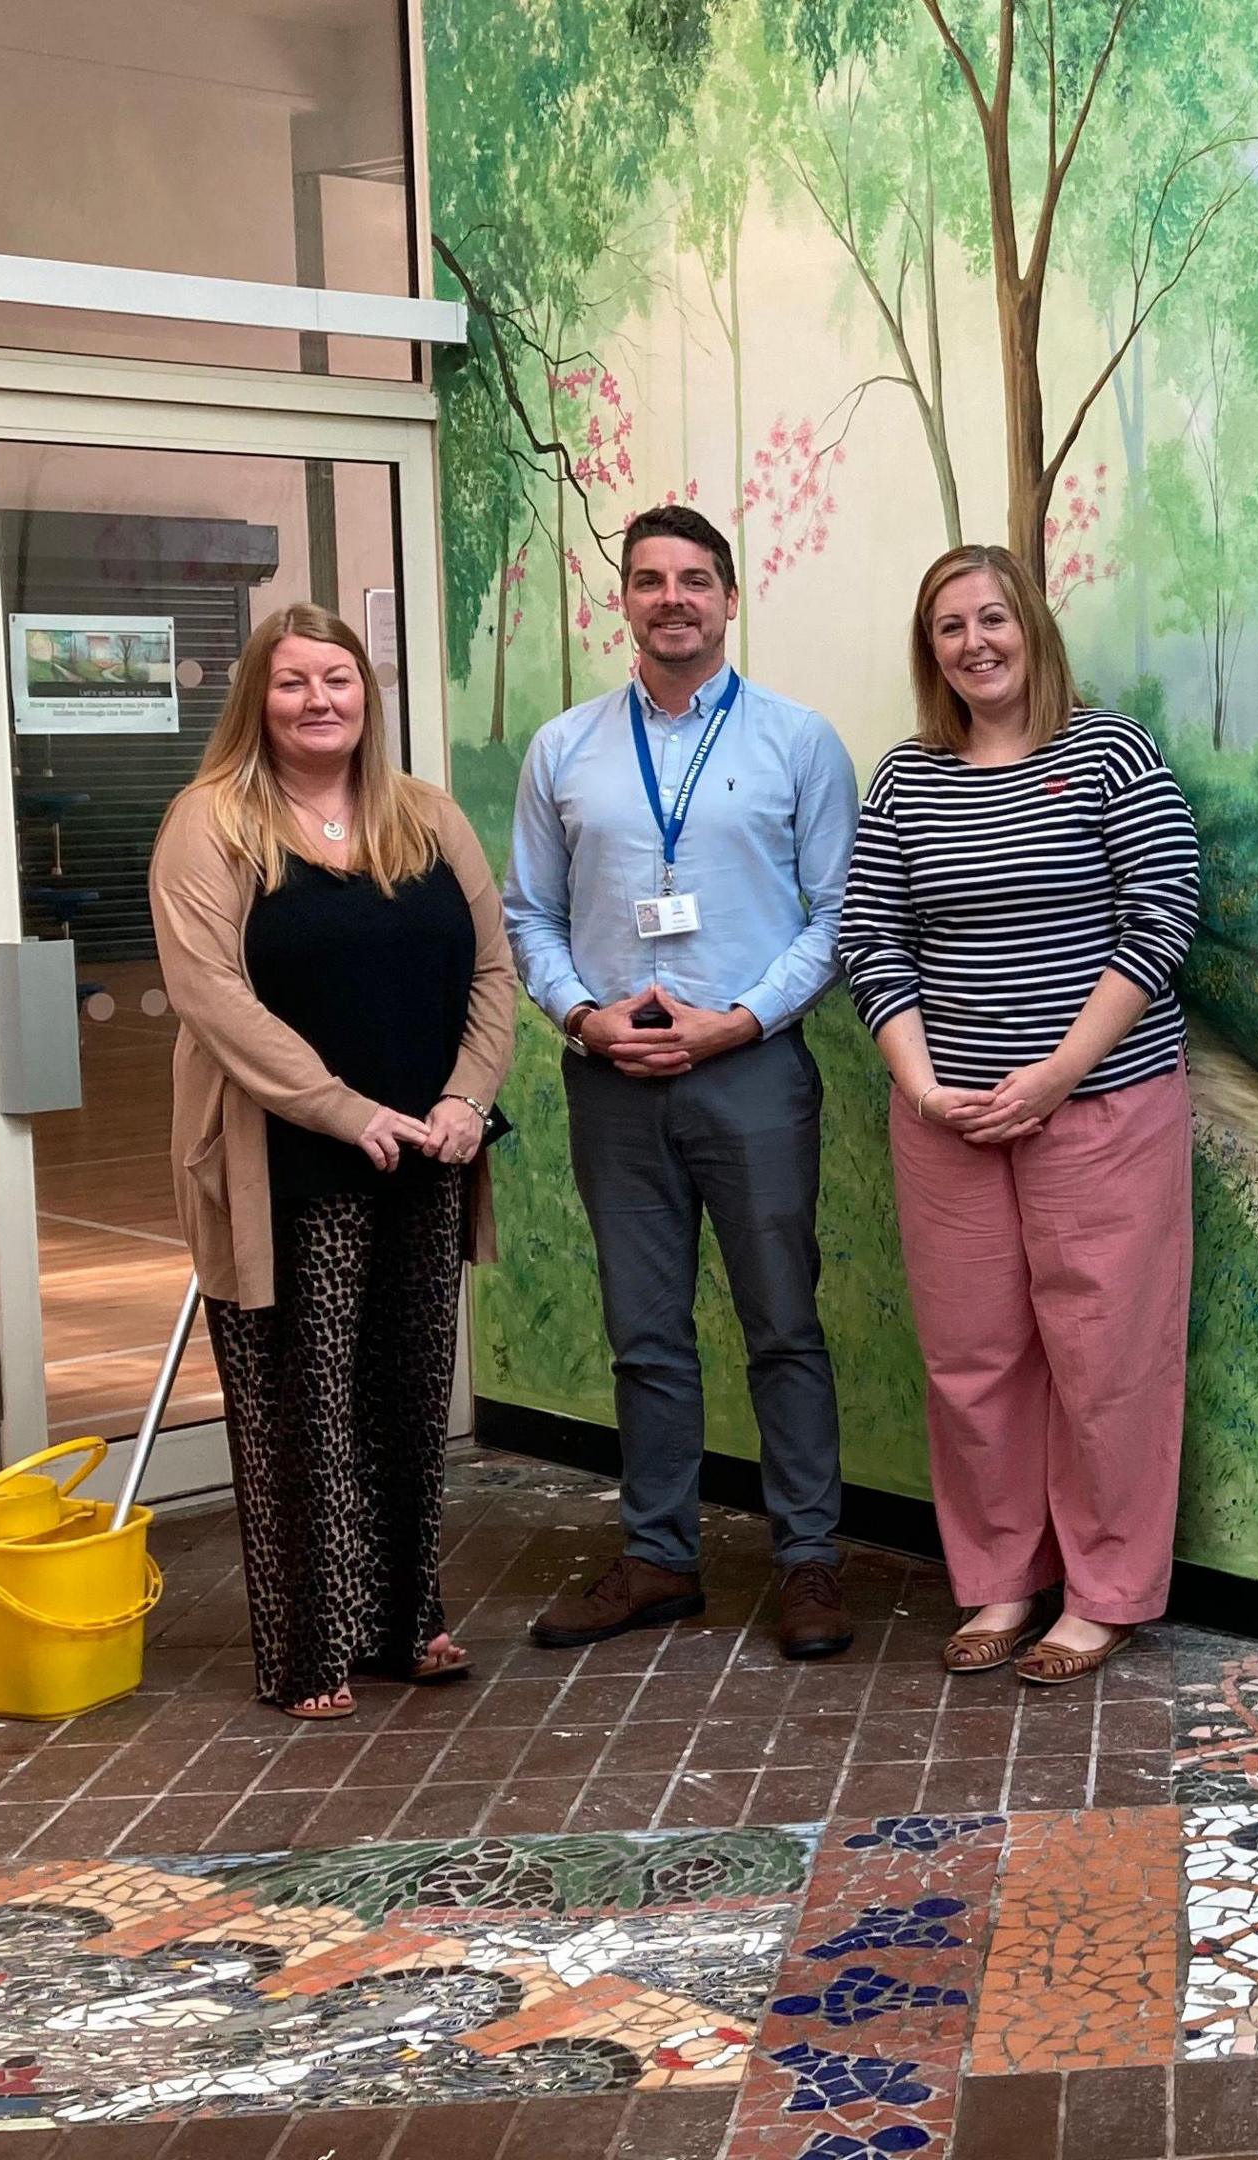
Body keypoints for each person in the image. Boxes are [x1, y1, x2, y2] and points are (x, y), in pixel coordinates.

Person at [839, 544, 1202, 1685]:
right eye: (949, 627)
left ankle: (1102, 1593)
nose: (974, 642)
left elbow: (1162, 916)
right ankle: (1000, 1578)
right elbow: (871, 938)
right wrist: (920, 1082)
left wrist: (1053, 1074)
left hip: (1102, 1106)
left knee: (1108, 1358)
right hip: (947, 1122)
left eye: (991, 617)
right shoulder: (905, 777)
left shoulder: (1109, 752)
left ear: (1030, 628)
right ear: (930, 651)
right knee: (971, 1360)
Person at [506, 504, 862, 1660]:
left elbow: (837, 917)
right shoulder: (565, 749)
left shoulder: (797, 743)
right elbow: (529, 915)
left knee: (782, 1326)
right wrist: (586, 1018)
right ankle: (659, 1557)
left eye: (695, 580)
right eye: (651, 579)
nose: (674, 598)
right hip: (613, 1082)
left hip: (750, 1075)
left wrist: (734, 1024)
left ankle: (808, 1562)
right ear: (624, 599)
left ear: (728, 598)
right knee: (643, 1332)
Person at [151, 604, 514, 1720]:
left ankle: (406, 1622)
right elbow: (211, 997)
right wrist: (343, 1107)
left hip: (423, 1153)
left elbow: (494, 971)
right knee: (301, 1407)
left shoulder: (425, 816)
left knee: (407, 1399)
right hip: (290, 1160)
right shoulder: (210, 823)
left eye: (340, 682)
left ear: (369, 696)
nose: (322, 701)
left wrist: (464, 1099)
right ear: (257, 697)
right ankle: (310, 1652)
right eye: (296, 682)